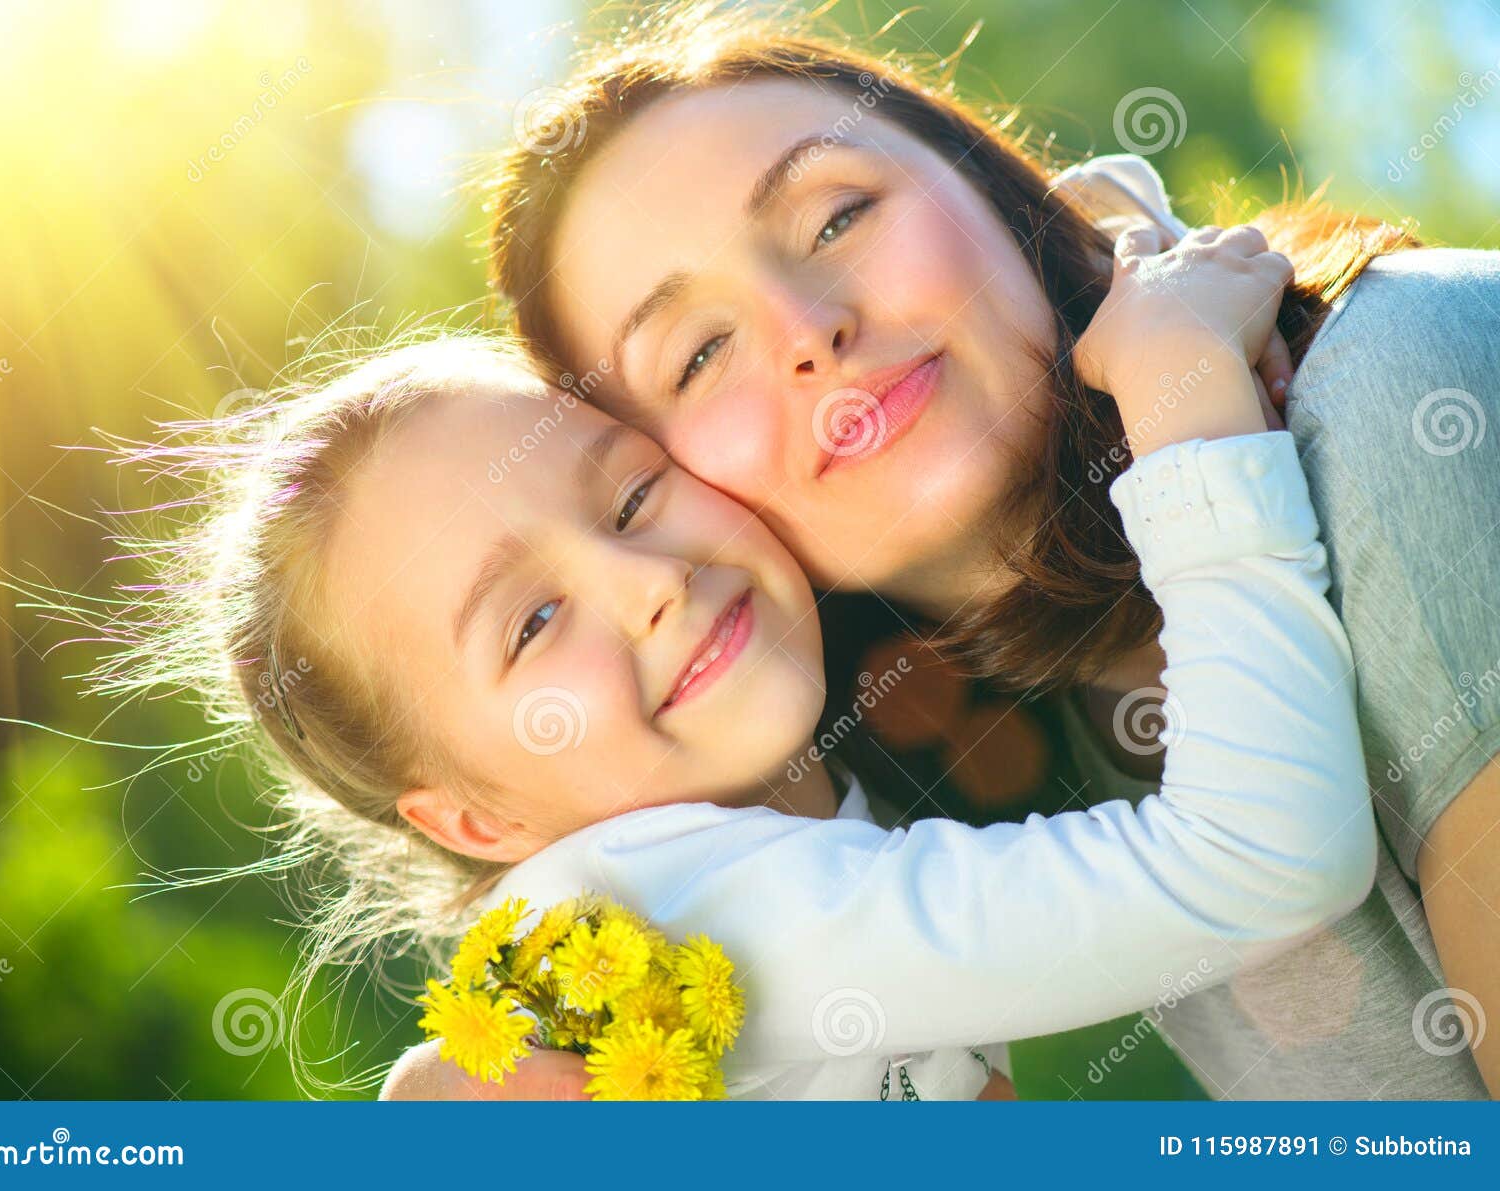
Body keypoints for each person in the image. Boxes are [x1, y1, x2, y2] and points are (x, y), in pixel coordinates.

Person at [483, 9, 1496, 1097]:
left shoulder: (1395, 391)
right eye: (700, 353)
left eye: (837, 219)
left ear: (1001, 198)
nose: (805, 328)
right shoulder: (982, 760)